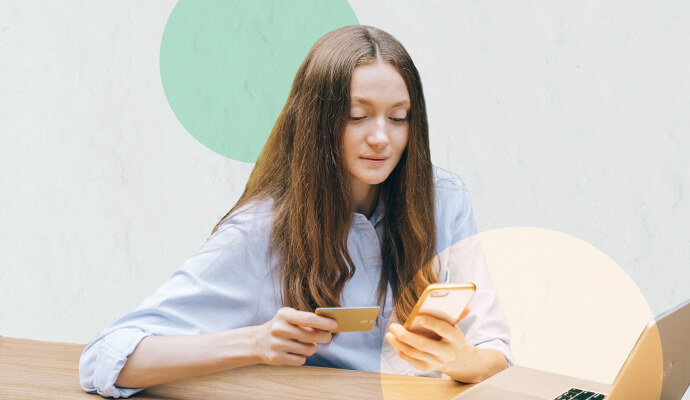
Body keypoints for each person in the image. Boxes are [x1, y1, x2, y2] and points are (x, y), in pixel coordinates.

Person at [79, 25, 512, 398]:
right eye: (357, 116)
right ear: (318, 122)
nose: (382, 137)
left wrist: (464, 361)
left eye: (399, 118)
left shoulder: (445, 198)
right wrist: (256, 342)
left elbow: (496, 350)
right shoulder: (262, 229)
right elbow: (106, 357)